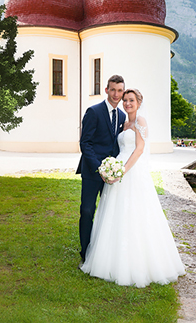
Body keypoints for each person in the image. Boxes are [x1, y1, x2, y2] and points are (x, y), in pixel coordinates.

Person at [81, 88, 186, 287]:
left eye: (131, 100)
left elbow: (139, 150)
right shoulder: (124, 122)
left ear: (138, 102)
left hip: (132, 171)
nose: (127, 103)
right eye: (126, 100)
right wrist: (113, 169)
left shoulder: (140, 122)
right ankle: (108, 258)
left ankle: (137, 262)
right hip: (119, 168)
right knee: (115, 214)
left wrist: (122, 171)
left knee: (135, 215)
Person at [77, 74, 126, 264]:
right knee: (87, 211)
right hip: (92, 172)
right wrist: (99, 168)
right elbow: (85, 143)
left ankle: (104, 252)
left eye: (119, 90)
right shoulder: (94, 111)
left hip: (112, 176)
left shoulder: (122, 116)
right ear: (106, 90)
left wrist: (114, 170)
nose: (116, 94)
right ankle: (85, 252)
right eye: (113, 89)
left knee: (108, 213)